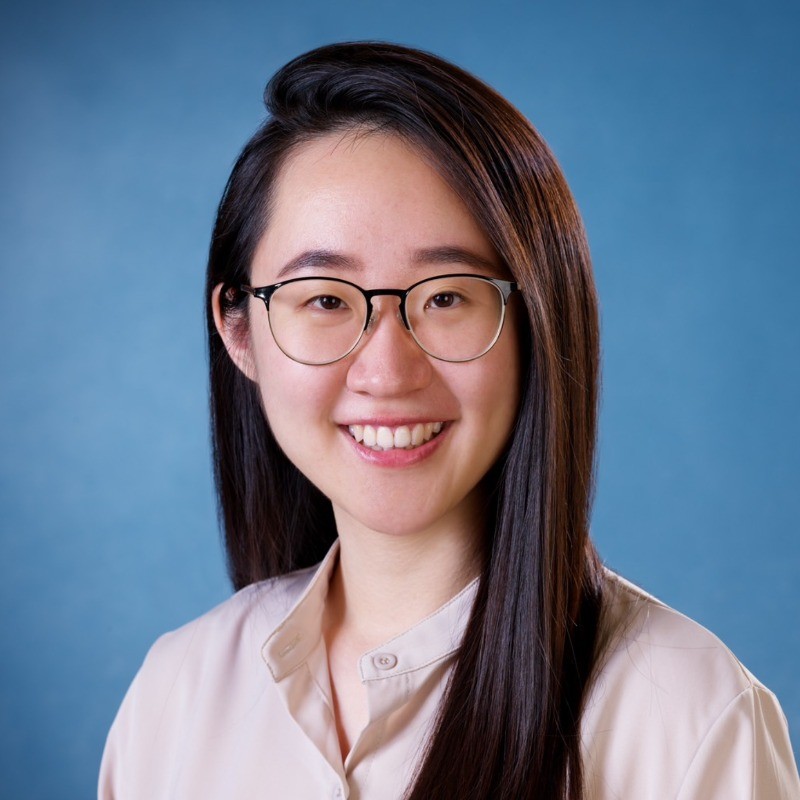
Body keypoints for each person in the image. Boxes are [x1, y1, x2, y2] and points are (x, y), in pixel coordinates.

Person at [98, 42, 800, 799]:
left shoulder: (688, 718)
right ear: (240, 331)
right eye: (326, 300)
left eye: (446, 297)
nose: (387, 372)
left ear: (537, 322)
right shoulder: (177, 697)